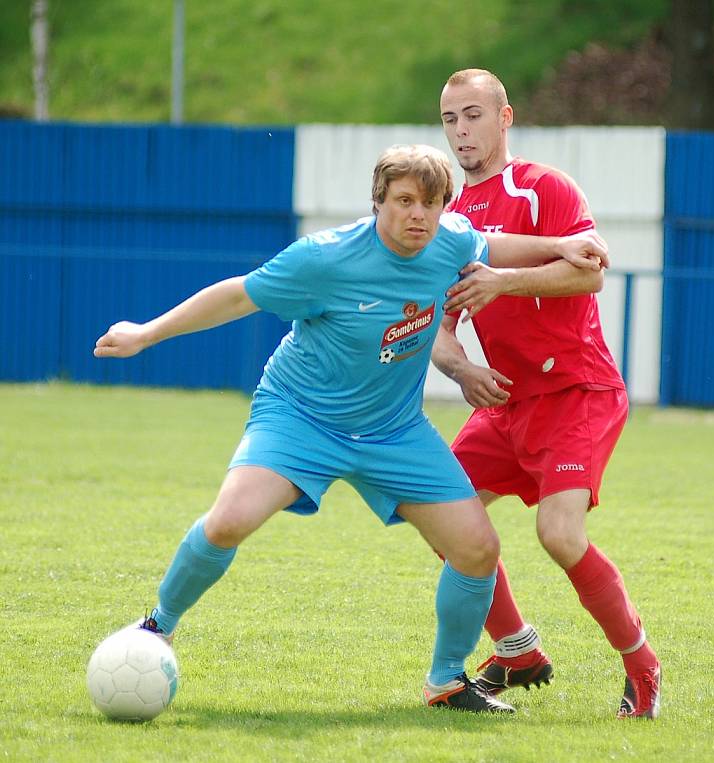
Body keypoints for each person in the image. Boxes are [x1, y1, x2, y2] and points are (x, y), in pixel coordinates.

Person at [93, 143, 609, 715]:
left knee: (477, 548)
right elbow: (239, 294)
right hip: (301, 418)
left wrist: (559, 245)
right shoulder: (325, 259)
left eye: (430, 204)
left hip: (393, 431)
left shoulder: (449, 241)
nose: (418, 215)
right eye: (404, 201)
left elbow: (491, 244)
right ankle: (157, 625)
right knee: (229, 521)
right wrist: (146, 333)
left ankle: (446, 682)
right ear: (378, 202)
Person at [432, 70, 661, 719]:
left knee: (558, 533)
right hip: (505, 403)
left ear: (505, 118)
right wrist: (461, 371)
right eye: (450, 120)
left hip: (575, 391)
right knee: (439, 510)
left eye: (473, 115)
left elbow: (589, 270)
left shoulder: (542, 188)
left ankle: (642, 665)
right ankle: (515, 646)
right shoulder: (448, 221)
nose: (461, 132)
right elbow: (439, 330)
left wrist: (502, 280)